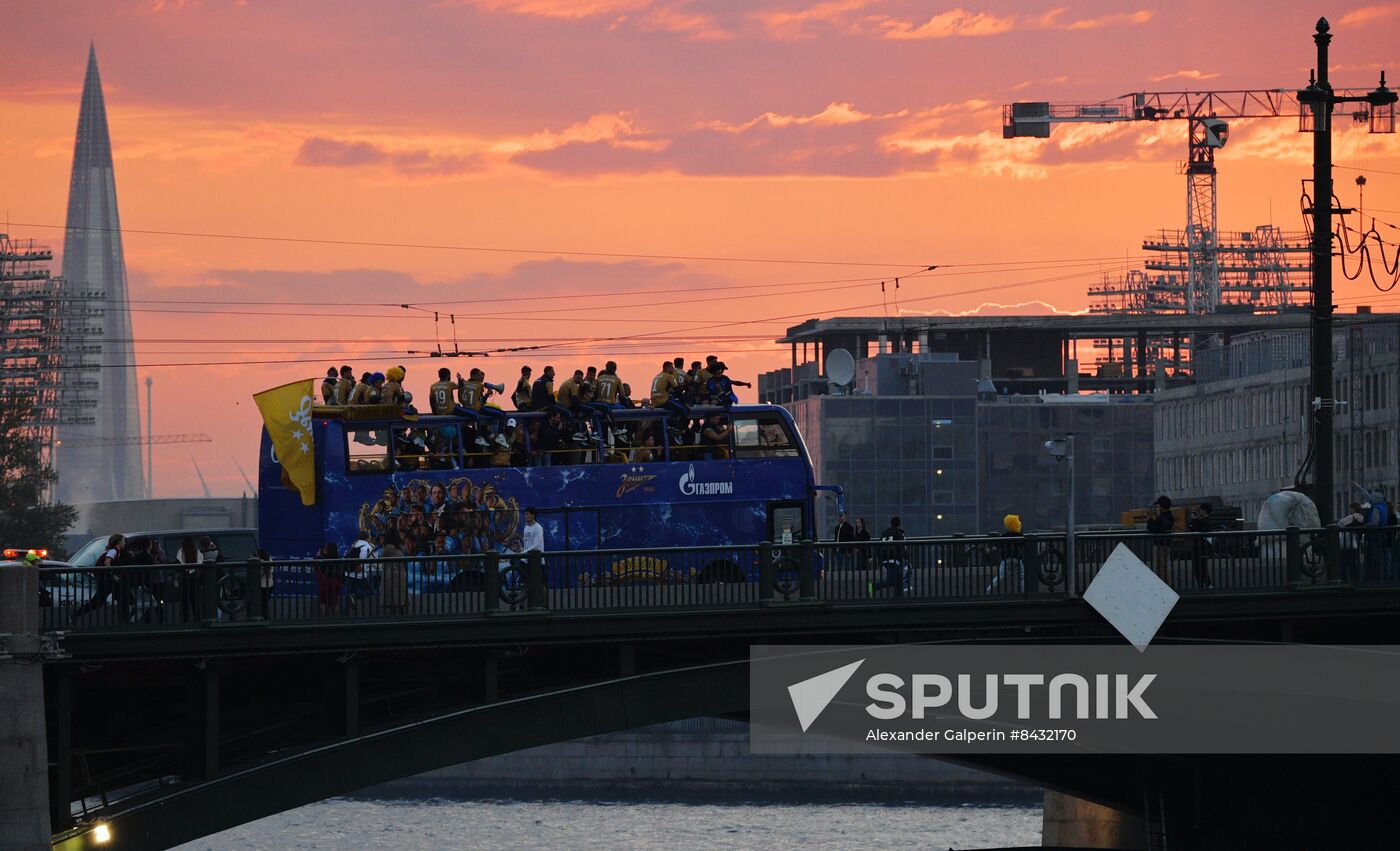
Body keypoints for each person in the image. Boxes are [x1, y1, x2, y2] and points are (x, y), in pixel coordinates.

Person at [71, 533, 127, 626]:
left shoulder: (115, 552)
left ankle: (124, 621)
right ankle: (75, 615)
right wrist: (113, 575)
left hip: (107, 581)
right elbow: (107, 562)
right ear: (118, 542)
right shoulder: (113, 551)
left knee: (116, 599)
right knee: (97, 602)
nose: (124, 543)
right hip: (107, 581)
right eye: (123, 541)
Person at [987, 514, 1025, 594]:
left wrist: (989, 550)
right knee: (1022, 577)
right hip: (1017, 559)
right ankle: (1023, 593)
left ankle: (988, 591)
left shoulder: (1004, 536)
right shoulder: (1020, 536)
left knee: (1000, 577)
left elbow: (996, 547)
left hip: (1006, 559)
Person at [870, 516, 907, 597]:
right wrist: (905, 556)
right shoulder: (898, 533)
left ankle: (899, 598)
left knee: (898, 580)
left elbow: (878, 548)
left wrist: (881, 561)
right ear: (899, 524)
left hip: (885, 559)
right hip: (895, 559)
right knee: (892, 581)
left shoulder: (884, 533)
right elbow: (901, 547)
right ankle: (873, 586)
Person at [1146, 495, 1176, 582]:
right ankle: (1166, 584)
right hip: (1166, 543)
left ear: (1161, 506)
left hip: (1161, 544)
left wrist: (1151, 519)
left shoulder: (1163, 517)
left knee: (1161, 566)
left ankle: (1163, 585)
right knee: (1164, 566)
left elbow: (1153, 528)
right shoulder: (1169, 516)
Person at [378, 529, 407, 614]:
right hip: (400, 574)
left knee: (392, 599)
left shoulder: (387, 548)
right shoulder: (401, 547)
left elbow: (382, 557)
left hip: (390, 575)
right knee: (400, 597)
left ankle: (393, 619)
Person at [1187, 503, 1215, 590]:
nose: (1200, 511)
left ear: (1205, 511)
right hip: (1205, 547)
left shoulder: (1203, 521)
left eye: (1201, 509)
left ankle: (1203, 586)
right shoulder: (1207, 521)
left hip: (1201, 548)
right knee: (1202, 567)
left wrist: (1193, 520)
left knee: (1198, 568)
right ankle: (1207, 585)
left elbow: (1192, 528)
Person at [175, 535, 203, 621]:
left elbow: (178, 563)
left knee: (185, 600)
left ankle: (186, 619)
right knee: (194, 600)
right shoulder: (196, 551)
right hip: (194, 578)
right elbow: (200, 562)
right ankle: (197, 618)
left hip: (184, 578)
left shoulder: (181, 551)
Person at [1338, 501, 1367, 584]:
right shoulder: (1361, 517)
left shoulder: (1351, 517)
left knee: (1343, 562)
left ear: (1353, 509)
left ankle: (1345, 580)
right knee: (1353, 563)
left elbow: (1340, 523)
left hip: (1348, 542)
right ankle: (1356, 580)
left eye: (1350, 508)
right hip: (1355, 543)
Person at [314, 542, 343, 618]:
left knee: (322, 601)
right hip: (336, 582)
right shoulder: (338, 558)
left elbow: (316, 565)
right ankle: (337, 619)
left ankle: (325, 619)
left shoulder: (324, 559)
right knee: (335, 602)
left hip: (326, 582)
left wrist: (318, 555)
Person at [256, 548, 275, 618]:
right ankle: (266, 617)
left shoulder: (259, 563)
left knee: (261, 603)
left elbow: (257, 574)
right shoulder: (270, 560)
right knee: (265, 603)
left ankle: (263, 617)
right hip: (270, 585)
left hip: (262, 586)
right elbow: (272, 571)